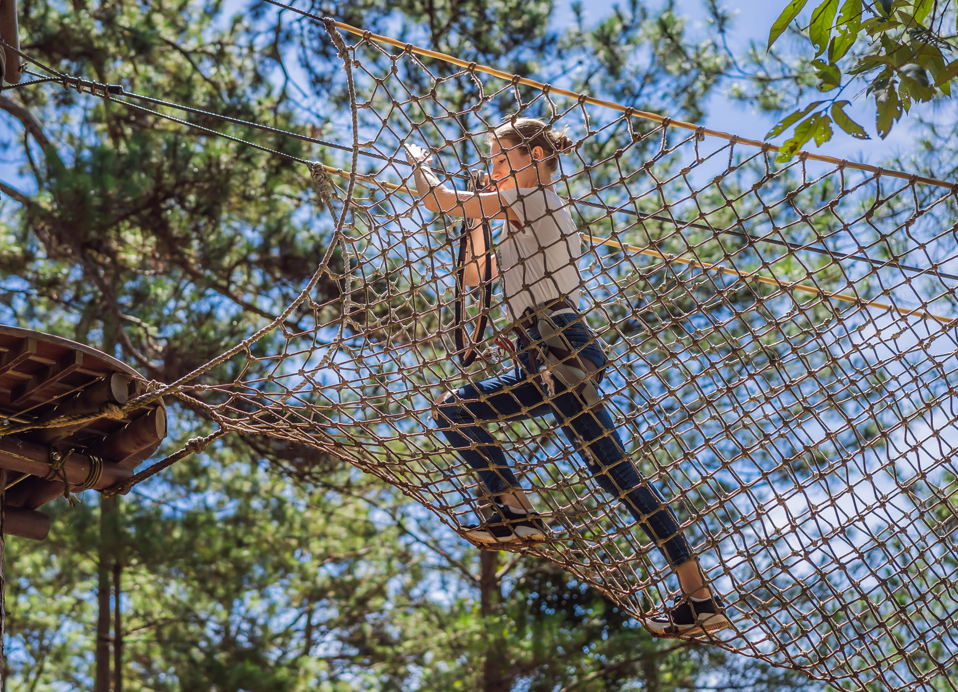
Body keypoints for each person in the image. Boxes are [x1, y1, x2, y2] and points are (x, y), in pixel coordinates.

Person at [404, 117, 729, 637]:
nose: (492, 168)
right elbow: (475, 277)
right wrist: (479, 219)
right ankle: (516, 511)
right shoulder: (517, 213)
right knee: (459, 411)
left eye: (499, 157)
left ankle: (698, 596)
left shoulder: (537, 201)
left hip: (560, 344)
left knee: (612, 472)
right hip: (542, 353)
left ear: (534, 160)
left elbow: (441, 200)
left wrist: (419, 162)